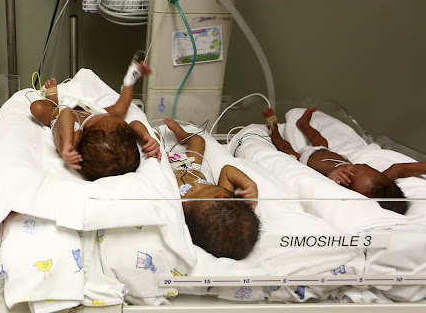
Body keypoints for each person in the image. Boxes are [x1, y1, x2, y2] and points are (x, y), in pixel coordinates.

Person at [263, 107, 418, 215]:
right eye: (363, 167)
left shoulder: (338, 188)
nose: (357, 165)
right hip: (325, 151)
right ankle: (303, 124)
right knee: (318, 139)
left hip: (303, 160)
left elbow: (318, 186)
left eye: (354, 171)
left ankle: (273, 127)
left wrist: (332, 174)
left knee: (284, 147)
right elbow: (399, 168)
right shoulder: (379, 180)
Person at [29, 63, 161, 180]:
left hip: (62, 116)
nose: (109, 118)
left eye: (104, 120)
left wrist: (67, 144)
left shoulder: (72, 140)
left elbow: (67, 113)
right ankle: (129, 81)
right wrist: (147, 137)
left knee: (38, 108)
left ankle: (52, 100)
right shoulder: (116, 132)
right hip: (92, 111)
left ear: (82, 135)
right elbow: (134, 123)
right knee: (120, 110)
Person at [164, 118, 260, 260]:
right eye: (207, 186)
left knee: (152, 149)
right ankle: (182, 135)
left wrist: (163, 162)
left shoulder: (178, 207)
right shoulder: (222, 198)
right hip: (192, 167)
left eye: (194, 193)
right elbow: (228, 170)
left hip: (167, 169)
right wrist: (250, 185)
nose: (197, 185)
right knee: (198, 140)